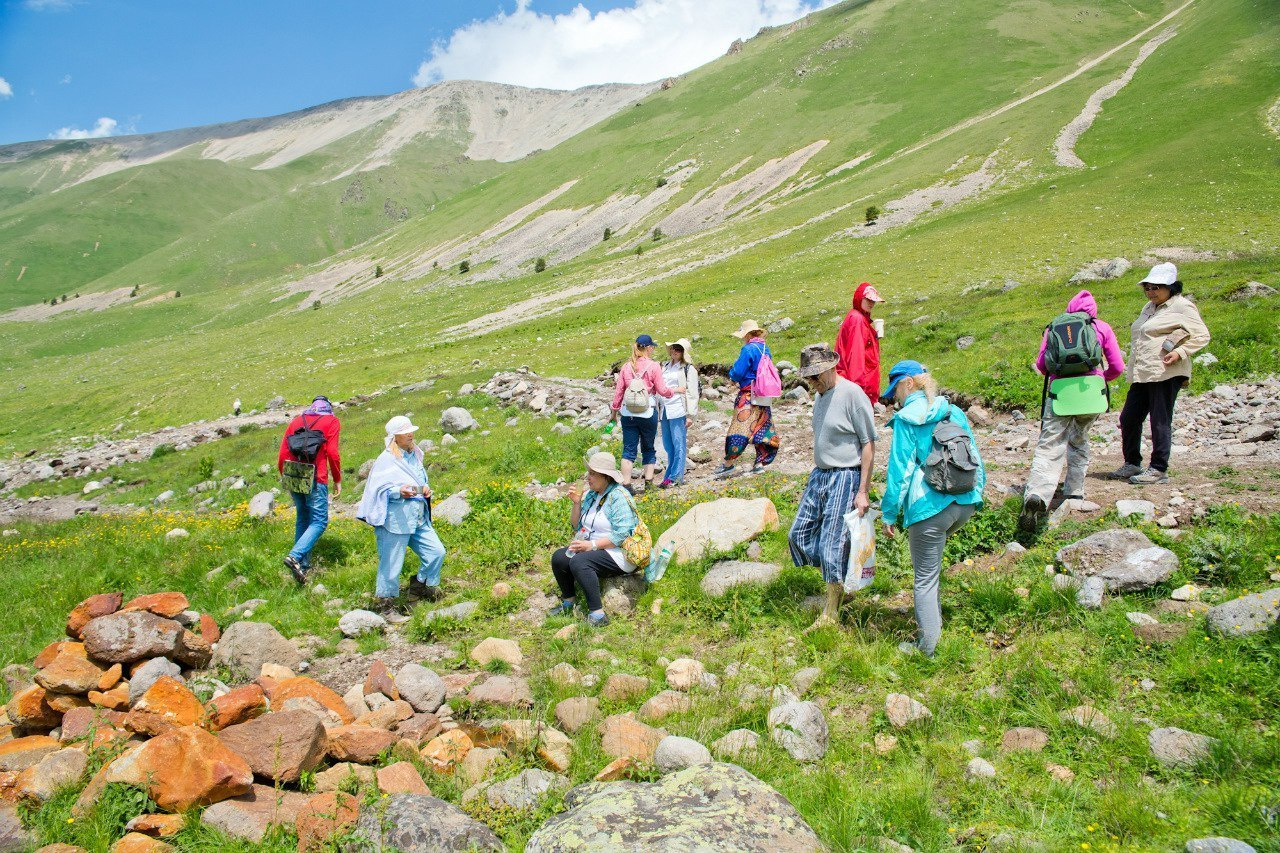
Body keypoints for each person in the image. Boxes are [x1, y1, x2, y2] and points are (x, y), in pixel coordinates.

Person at [880, 361, 985, 657]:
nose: (895, 397)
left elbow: (899, 472)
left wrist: (889, 514)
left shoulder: (906, 418)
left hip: (929, 508)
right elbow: (975, 455)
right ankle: (934, 630)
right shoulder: (954, 411)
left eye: (896, 389)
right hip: (964, 503)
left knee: (924, 578)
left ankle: (927, 648)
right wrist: (978, 493)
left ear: (909, 384)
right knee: (932, 571)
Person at [1018, 290, 1126, 532]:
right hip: (1090, 394)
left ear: (1069, 308)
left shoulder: (1054, 326)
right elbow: (1117, 366)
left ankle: (1037, 495)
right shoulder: (1101, 327)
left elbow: (1042, 366)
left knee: (1050, 444)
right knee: (1079, 440)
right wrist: (1100, 378)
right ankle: (1074, 493)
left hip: (1060, 394)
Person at [788, 344, 877, 632]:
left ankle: (830, 612)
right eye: (808, 377)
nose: (811, 382)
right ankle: (840, 575)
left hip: (845, 476)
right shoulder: (819, 395)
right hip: (821, 474)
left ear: (830, 368)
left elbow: (868, 443)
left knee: (830, 546)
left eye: (815, 376)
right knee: (797, 535)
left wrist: (863, 490)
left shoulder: (852, 394)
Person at [1112, 263, 1211, 485]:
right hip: (1143, 372)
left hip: (1165, 371)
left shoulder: (1183, 306)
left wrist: (1180, 352)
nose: (1151, 291)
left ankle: (1158, 469)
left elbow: (1202, 335)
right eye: (1147, 287)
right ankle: (1132, 463)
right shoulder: (1149, 307)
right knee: (1128, 417)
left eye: (1157, 287)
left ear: (1171, 287)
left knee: (1160, 420)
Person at [355, 416, 446, 616]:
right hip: (395, 520)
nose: (410, 434)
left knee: (436, 552)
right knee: (391, 563)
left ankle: (419, 585)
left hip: (417, 516)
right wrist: (398, 491)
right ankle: (386, 606)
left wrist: (425, 489)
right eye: (405, 432)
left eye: (411, 430)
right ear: (395, 436)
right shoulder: (385, 460)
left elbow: (419, 479)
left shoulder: (414, 456)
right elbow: (377, 490)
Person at [550, 452, 643, 627]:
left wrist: (591, 545)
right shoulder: (593, 495)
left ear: (605, 476)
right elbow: (576, 525)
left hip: (620, 553)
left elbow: (623, 534)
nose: (588, 477)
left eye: (593, 473)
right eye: (589, 472)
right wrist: (576, 503)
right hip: (593, 548)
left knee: (579, 562)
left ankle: (598, 615)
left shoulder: (619, 496)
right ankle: (568, 602)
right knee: (559, 558)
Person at [277, 395, 341, 583]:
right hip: (316, 476)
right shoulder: (331, 421)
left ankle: (302, 567)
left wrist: (285, 475)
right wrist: (337, 479)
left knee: (303, 518)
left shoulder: (297, 420)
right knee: (320, 521)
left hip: (293, 474)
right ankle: (296, 556)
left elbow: (282, 453)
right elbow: (333, 453)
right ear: (328, 407)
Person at [715, 320, 781, 478]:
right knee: (762, 427)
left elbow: (738, 372)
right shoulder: (766, 348)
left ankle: (728, 464)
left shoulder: (748, 348)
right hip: (763, 393)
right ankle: (760, 463)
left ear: (748, 334)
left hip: (748, 394)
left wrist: (731, 375)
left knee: (739, 429)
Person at [610, 335, 675, 492]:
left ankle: (626, 485)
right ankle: (648, 483)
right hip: (647, 412)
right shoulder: (654, 366)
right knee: (648, 448)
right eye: (652, 347)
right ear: (648, 348)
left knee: (628, 450)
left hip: (628, 413)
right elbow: (661, 389)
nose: (653, 349)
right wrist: (673, 393)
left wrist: (614, 411)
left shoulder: (626, 367)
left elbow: (619, 392)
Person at [658, 338, 700, 488]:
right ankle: (669, 476)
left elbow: (693, 393)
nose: (674, 351)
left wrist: (690, 415)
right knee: (668, 445)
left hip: (678, 409)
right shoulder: (665, 367)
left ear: (683, 352)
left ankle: (675, 477)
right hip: (664, 409)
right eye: (673, 348)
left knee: (679, 443)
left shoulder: (689, 369)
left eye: (678, 349)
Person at [834, 281, 885, 404]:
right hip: (859, 390)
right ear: (859, 298)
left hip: (858, 388)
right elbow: (855, 357)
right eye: (868, 300)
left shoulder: (858, 318)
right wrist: (858, 390)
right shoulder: (857, 320)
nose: (871, 304)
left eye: (873, 301)